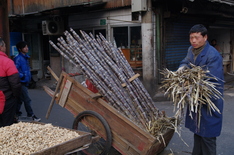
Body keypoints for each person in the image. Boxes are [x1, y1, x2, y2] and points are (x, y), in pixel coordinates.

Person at [177, 24, 224, 155]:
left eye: (197, 37)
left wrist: (189, 84)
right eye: (191, 37)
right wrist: (182, 68)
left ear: (205, 37)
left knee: (208, 136)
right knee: (198, 133)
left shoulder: (213, 55)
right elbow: (186, 61)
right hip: (196, 100)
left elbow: (211, 80)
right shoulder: (191, 50)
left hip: (209, 100)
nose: (193, 41)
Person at [14, 41, 41, 122]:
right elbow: (15, 71)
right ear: (20, 49)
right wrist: (23, 76)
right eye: (25, 47)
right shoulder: (18, 58)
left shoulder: (25, 57)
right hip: (21, 82)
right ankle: (31, 115)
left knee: (20, 99)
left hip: (25, 82)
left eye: (27, 46)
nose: (27, 48)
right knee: (27, 99)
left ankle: (16, 114)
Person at [0, 38, 21, 127]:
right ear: (1, 47)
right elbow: (15, 83)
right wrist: (16, 96)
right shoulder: (7, 62)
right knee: (6, 127)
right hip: (6, 100)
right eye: (4, 45)